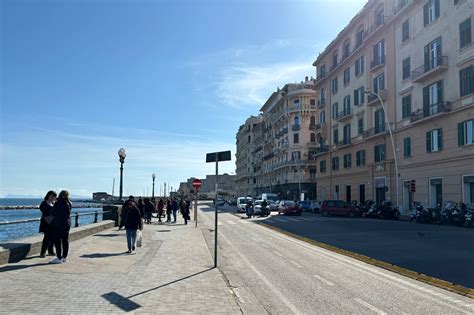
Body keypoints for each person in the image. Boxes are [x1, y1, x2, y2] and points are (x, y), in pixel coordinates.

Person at [49, 190, 72, 264]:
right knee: (65, 241)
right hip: (67, 224)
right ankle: (64, 257)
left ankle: (59, 257)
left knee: (57, 241)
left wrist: (53, 205)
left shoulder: (58, 202)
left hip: (58, 224)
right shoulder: (69, 203)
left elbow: (52, 212)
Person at [39, 190, 57, 257]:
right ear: (48, 195)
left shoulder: (53, 203)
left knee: (52, 238)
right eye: (53, 196)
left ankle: (50, 251)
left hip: (53, 223)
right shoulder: (44, 203)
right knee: (47, 238)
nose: (54, 198)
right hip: (46, 223)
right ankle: (42, 252)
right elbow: (45, 212)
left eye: (55, 196)